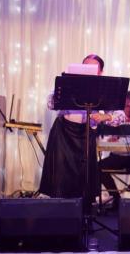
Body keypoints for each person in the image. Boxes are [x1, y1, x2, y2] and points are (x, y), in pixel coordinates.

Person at [39, 54, 123, 200]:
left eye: (93, 68)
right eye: (85, 67)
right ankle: (60, 209)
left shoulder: (103, 89)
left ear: (100, 72)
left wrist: (106, 117)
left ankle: (84, 211)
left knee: (83, 180)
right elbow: (51, 104)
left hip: (86, 135)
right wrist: (60, 90)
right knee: (60, 179)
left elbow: (121, 116)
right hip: (63, 133)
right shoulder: (70, 83)